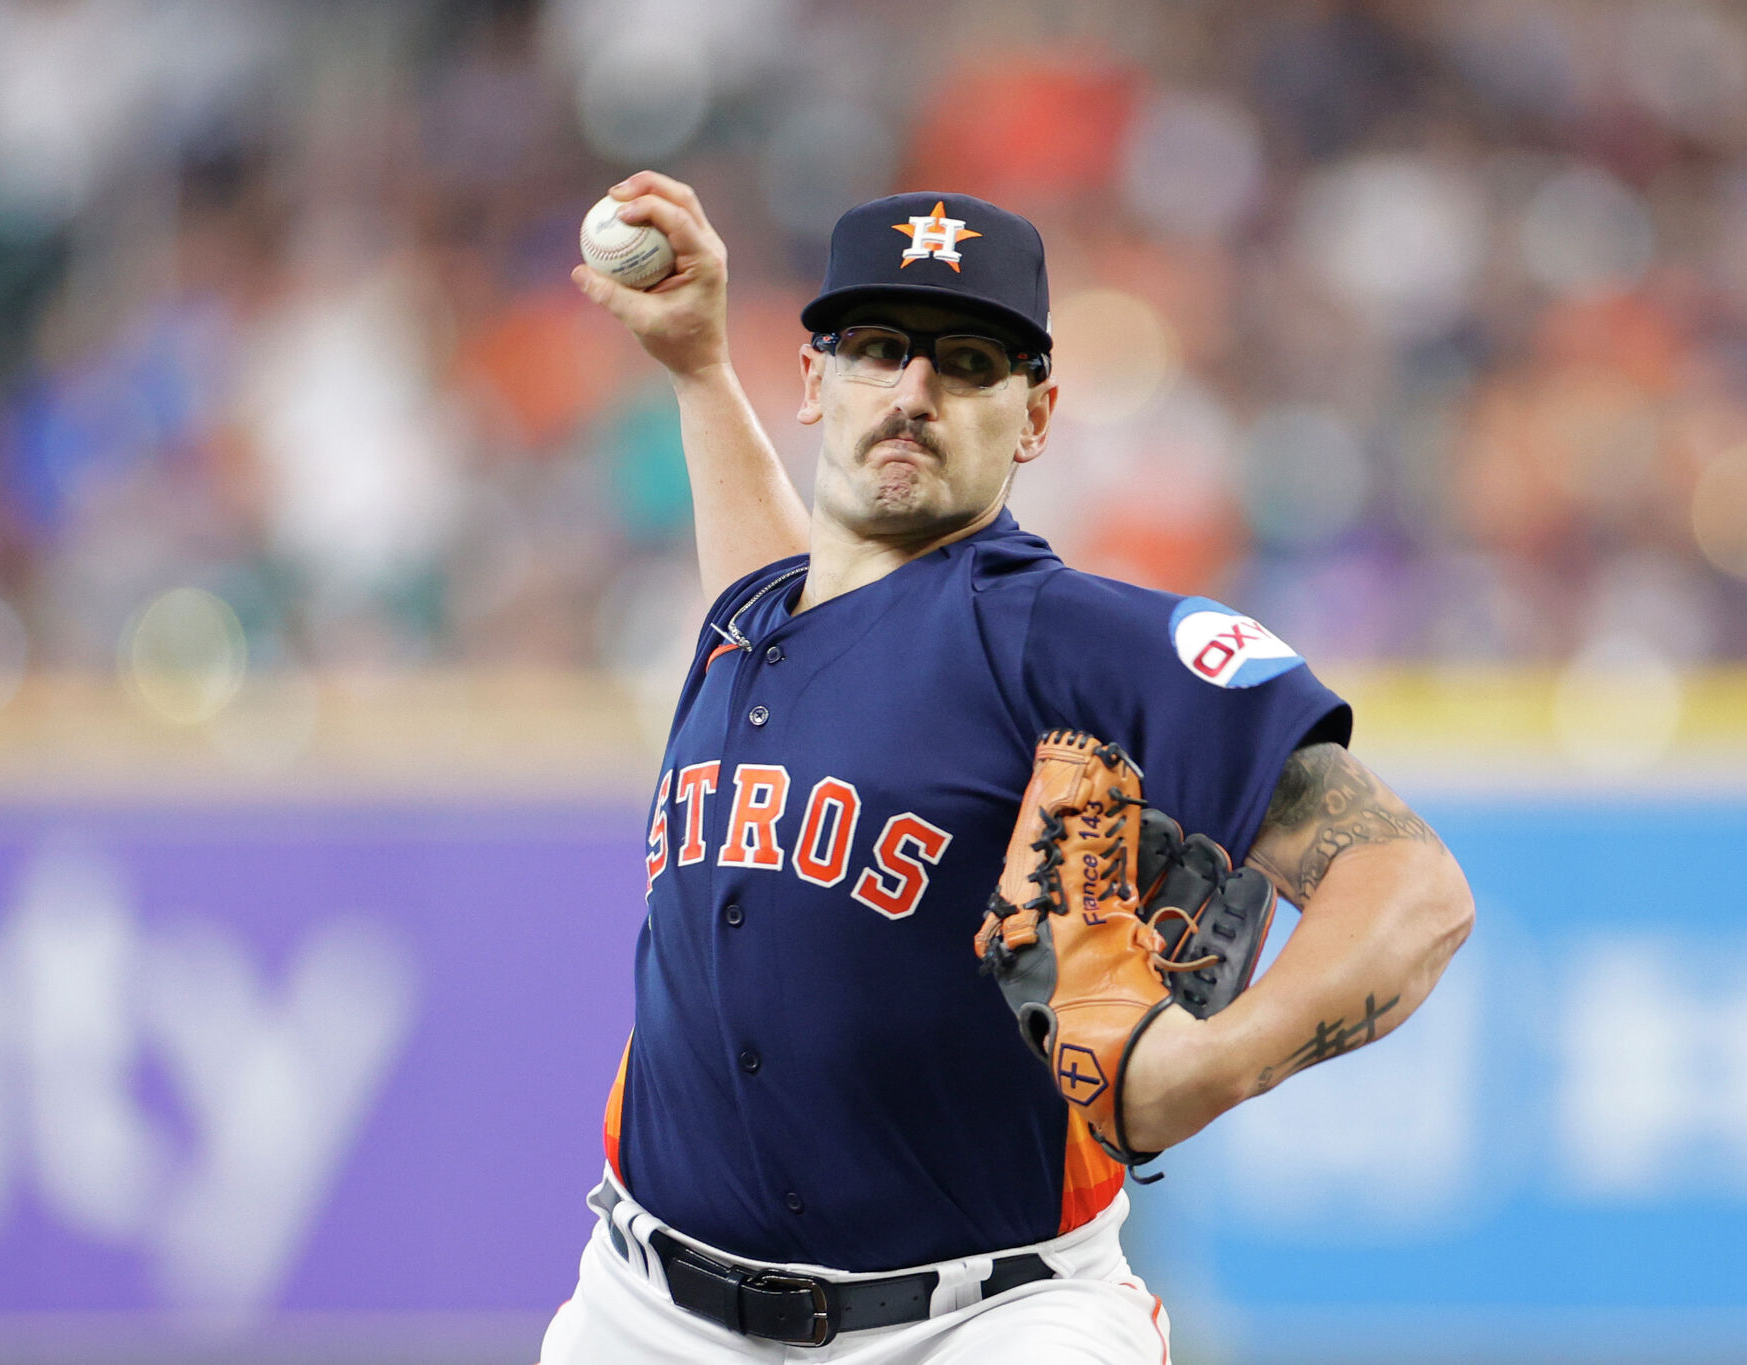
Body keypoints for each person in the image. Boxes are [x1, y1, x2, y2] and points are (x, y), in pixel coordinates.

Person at [540, 173, 1475, 1364]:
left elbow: (1413, 888)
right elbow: (808, 603)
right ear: (814, 381)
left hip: (986, 1321)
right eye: (878, 350)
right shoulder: (756, 622)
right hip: (643, 1309)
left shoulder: (1073, 637)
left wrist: (1204, 1066)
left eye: (968, 362)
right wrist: (697, 370)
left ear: (1033, 417)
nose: (915, 392)